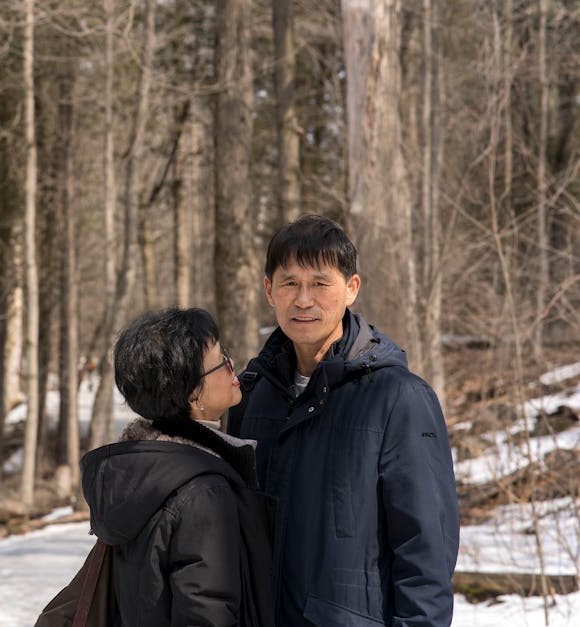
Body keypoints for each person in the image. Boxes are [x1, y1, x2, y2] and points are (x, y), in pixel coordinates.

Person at [227, 215, 459, 626]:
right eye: (289, 283)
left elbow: (425, 552)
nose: (303, 299)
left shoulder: (397, 397)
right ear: (269, 291)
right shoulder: (251, 397)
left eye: (320, 283)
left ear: (351, 288)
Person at [80, 308, 274, 626]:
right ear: (193, 394)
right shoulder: (202, 492)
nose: (232, 364)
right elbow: (206, 613)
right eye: (220, 359)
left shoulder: (141, 473)